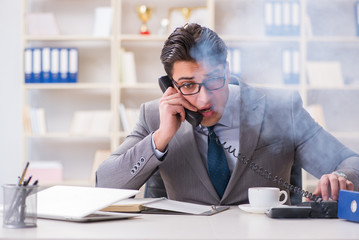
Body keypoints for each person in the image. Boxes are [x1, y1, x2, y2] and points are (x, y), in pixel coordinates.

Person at [96, 23, 359, 205]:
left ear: (227, 70)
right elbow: (104, 185)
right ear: (171, 86)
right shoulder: (154, 116)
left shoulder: (281, 108)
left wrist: (342, 178)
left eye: (214, 80)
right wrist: (161, 137)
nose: (204, 98)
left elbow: (351, 162)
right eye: (188, 85)